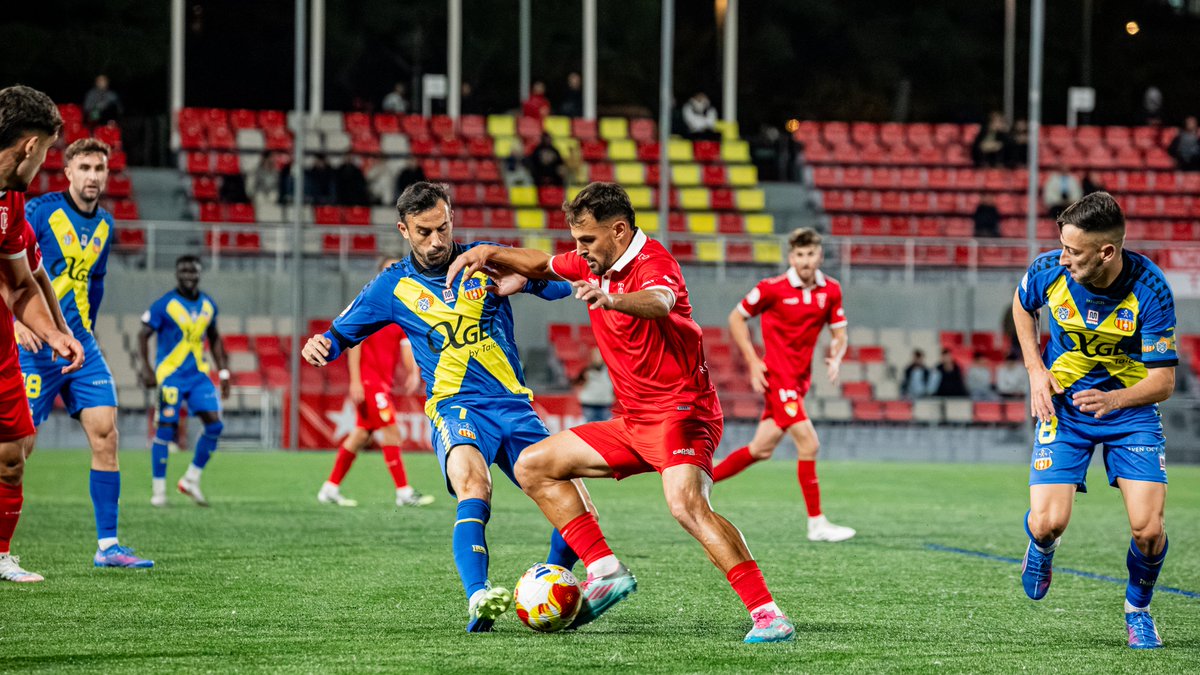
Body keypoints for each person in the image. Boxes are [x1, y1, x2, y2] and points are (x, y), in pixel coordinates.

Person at [445, 182, 796, 644]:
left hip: (680, 413)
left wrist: (612, 299)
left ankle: (768, 613)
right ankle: (604, 568)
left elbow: (660, 301)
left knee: (686, 505)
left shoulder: (654, 263)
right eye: (576, 241)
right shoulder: (595, 259)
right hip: (632, 421)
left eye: (587, 241)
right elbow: (542, 263)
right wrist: (489, 253)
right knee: (534, 466)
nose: (580, 251)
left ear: (619, 230)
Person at [301, 182, 588, 633]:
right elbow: (338, 336)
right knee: (474, 483)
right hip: (456, 407)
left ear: (451, 216)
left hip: (514, 406)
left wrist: (527, 281)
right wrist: (321, 344)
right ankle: (479, 597)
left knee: (576, 505)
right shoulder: (392, 285)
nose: (437, 241)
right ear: (403, 229)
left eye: (444, 227)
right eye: (424, 232)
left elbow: (560, 284)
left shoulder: (485, 258)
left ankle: (550, 581)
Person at [1013, 192, 1177, 649]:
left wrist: (1117, 400)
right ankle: (1041, 549)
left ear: (1106, 251)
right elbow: (1022, 305)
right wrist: (1035, 372)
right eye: (1062, 246)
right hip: (1064, 406)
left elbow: (1163, 382)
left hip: (1130, 410)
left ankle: (1138, 610)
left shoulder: (1151, 288)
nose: (1062, 258)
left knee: (1148, 531)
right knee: (1048, 523)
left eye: (1073, 251)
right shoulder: (1048, 270)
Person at [17, 137, 153, 568]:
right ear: (68, 172)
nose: (93, 176)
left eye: (100, 168)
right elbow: (9, 267)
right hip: (36, 345)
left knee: (106, 433)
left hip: (81, 347)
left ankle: (108, 546)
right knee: (15, 448)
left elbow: (94, 284)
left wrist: (85, 331)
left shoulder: (106, 225)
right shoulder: (40, 211)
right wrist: (17, 324)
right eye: (85, 168)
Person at [710, 228, 855, 543]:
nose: (805, 261)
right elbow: (736, 318)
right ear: (791, 257)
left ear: (819, 256)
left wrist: (836, 355)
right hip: (778, 377)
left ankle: (700, 483)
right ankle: (816, 523)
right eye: (799, 255)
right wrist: (752, 360)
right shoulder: (771, 288)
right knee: (809, 444)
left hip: (799, 380)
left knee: (760, 449)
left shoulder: (831, 290)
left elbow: (840, 332)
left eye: (810, 254)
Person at [0, 85, 86, 583]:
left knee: (13, 452)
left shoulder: (12, 202)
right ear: (31, 146)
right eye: (50, 150)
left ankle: (1, 553)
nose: (44, 162)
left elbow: (20, 282)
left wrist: (55, 334)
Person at [316, 257, 434, 508]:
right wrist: (356, 381)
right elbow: (353, 344)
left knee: (360, 435)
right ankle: (404, 492)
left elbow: (406, 348)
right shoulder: (373, 306)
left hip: (383, 383)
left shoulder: (402, 310)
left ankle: (330, 488)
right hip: (370, 383)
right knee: (391, 431)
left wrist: (413, 373)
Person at [136, 255, 230, 507]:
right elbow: (143, 335)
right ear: (177, 274)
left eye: (193, 270)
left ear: (200, 273)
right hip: (171, 375)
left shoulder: (208, 305)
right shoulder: (164, 305)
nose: (189, 275)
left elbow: (215, 337)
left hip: (199, 376)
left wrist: (223, 372)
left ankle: (190, 479)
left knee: (215, 425)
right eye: (184, 271)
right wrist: (145, 368)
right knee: (166, 429)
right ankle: (159, 492)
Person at [573, 347, 614, 423]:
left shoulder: (610, 370)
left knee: (604, 429)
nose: (597, 357)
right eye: (595, 355)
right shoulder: (585, 370)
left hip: (604, 404)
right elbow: (577, 382)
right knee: (590, 429)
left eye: (599, 355)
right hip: (589, 404)